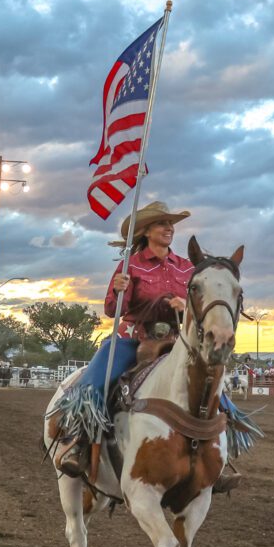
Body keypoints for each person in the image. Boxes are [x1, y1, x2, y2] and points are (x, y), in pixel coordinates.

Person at [54, 202, 192, 474]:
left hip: (178, 341)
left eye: (170, 224)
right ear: (146, 231)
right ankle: (78, 443)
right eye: (162, 224)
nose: (169, 228)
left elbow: (200, 306)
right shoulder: (130, 267)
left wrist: (186, 307)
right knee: (95, 381)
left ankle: (220, 448)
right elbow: (110, 310)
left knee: (212, 384)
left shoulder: (187, 268)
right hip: (134, 338)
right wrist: (118, 292)